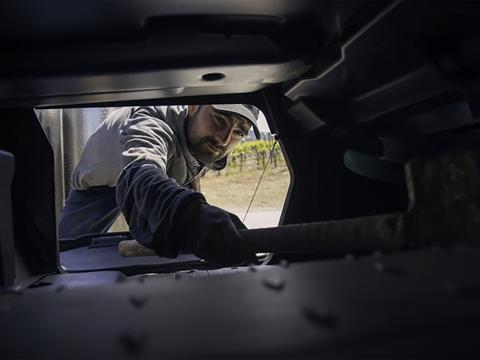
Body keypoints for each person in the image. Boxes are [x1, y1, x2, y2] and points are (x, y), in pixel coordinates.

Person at [58, 104, 261, 265]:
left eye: (239, 132)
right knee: (63, 252)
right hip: (101, 186)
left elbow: (190, 170)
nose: (225, 140)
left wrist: (196, 204)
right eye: (219, 119)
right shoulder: (152, 120)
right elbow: (140, 173)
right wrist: (188, 214)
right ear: (192, 106)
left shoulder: (202, 134)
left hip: (159, 175)